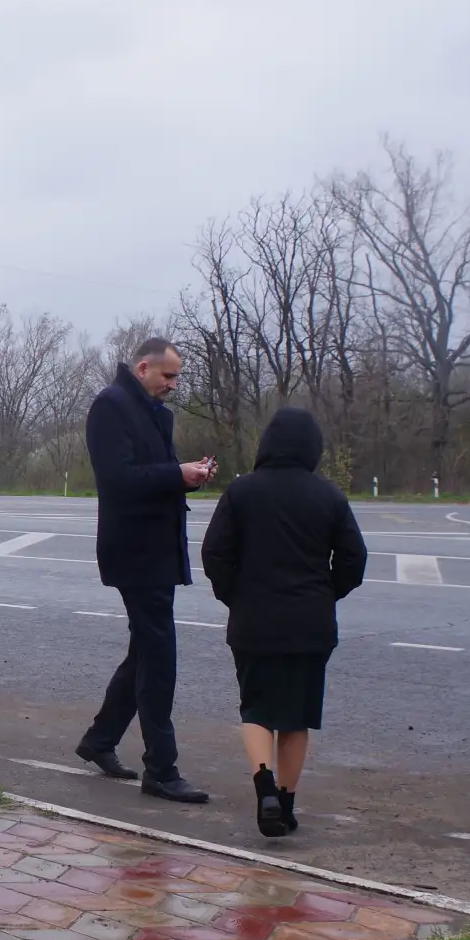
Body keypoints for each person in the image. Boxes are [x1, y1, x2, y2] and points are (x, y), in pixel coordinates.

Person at [200, 409, 366, 838]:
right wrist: (329, 591)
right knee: (297, 717)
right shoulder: (328, 496)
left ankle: (264, 790)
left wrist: (233, 595)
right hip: (310, 622)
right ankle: (286, 804)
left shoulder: (240, 493)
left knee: (256, 708)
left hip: (253, 619)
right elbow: (353, 559)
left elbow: (214, 553)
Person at [73, 337, 216, 803]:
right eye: (168, 376)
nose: (173, 385)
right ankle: (162, 769)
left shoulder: (157, 412)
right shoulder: (110, 407)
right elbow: (118, 479)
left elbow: (152, 475)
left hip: (158, 547)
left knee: (146, 652)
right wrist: (177, 474)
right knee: (159, 657)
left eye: (176, 377)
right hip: (134, 551)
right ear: (142, 368)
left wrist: (186, 476)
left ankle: (100, 741)